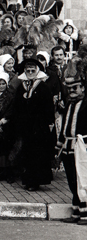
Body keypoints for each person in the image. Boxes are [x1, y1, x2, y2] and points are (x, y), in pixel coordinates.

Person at [14, 58, 55, 191]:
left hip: (39, 127)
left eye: (33, 70)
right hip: (26, 127)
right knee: (27, 154)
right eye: (28, 70)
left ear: (37, 71)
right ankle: (28, 180)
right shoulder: (21, 87)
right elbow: (17, 107)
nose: (30, 72)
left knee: (38, 155)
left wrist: (48, 123)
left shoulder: (43, 87)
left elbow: (49, 107)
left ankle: (36, 181)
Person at [57, 72, 87, 225]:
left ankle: (85, 214)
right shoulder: (69, 104)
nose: (72, 91)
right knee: (72, 180)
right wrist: (59, 147)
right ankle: (76, 211)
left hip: (82, 149)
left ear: (83, 88)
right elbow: (64, 127)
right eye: (69, 88)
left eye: (75, 87)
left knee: (83, 180)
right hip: (68, 148)